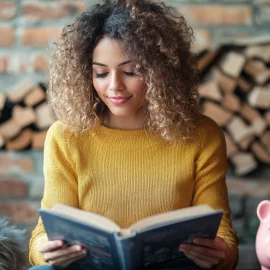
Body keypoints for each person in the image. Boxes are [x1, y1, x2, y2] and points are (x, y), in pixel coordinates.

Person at [28, 0, 239, 269]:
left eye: (131, 71)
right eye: (101, 73)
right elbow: (41, 236)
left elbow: (223, 235)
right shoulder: (66, 137)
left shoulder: (202, 136)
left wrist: (221, 253)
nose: (114, 86)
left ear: (161, 71)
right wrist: (46, 250)